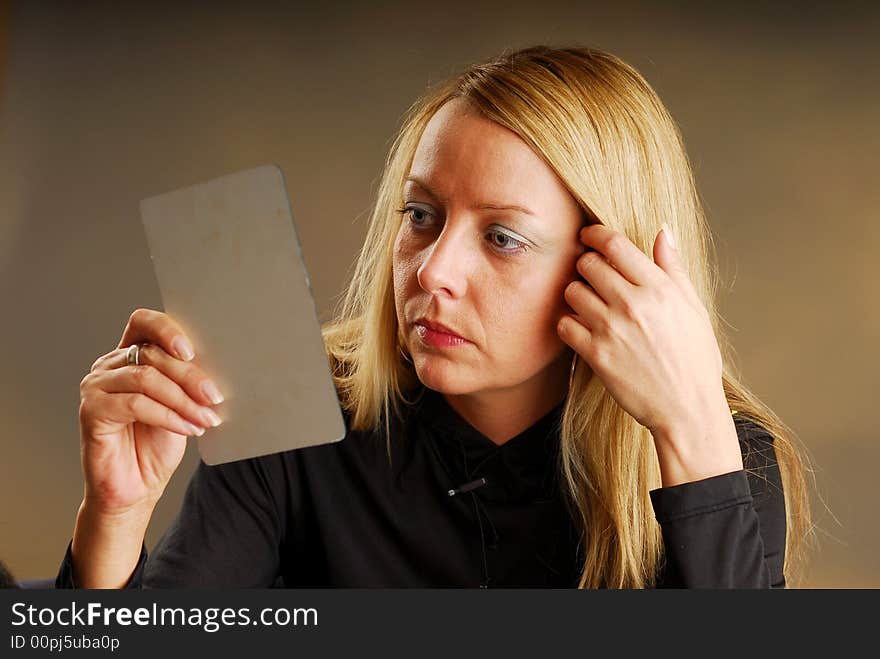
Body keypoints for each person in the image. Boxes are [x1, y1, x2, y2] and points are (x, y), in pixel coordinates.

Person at [57, 45, 811, 589]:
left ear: (613, 272)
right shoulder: (291, 412)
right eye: (421, 214)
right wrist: (114, 519)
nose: (432, 270)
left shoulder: (719, 451)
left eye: (503, 237)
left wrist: (691, 435)